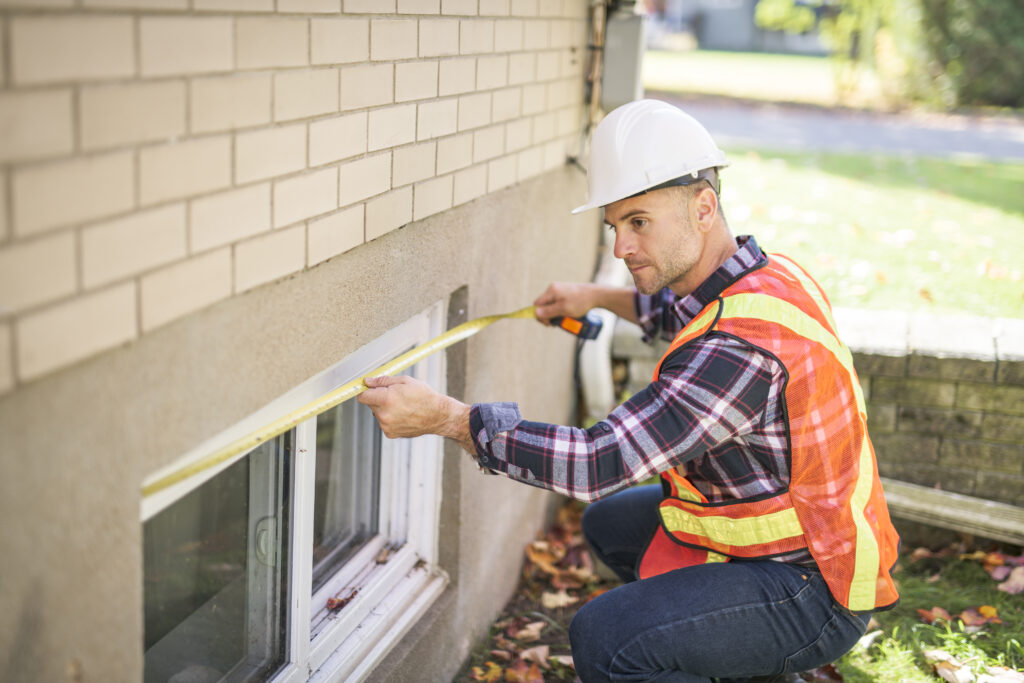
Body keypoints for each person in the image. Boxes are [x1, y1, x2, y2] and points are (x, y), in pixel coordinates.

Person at [358, 99, 900, 682]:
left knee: (607, 639)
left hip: (810, 586)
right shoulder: (769, 277)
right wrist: (594, 296)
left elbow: (600, 461)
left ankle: (761, 653)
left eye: (639, 222)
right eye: (615, 226)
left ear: (703, 207)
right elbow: (684, 312)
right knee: (611, 528)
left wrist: (449, 418)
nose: (621, 248)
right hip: (797, 538)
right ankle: (748, 662)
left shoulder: (736, 349)